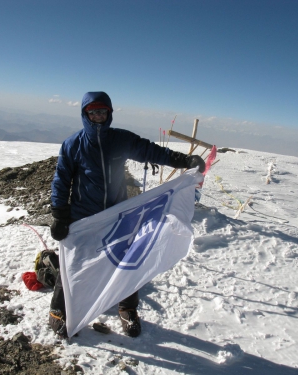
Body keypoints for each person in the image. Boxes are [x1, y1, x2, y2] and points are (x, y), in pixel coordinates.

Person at [49, 91, 205, 338]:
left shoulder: (120, 139)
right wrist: (59, 213)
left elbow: (152, 151)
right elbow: (61, 180)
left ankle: (128, 309)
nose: (98, 116)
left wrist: (184, 160)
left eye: (102, 111)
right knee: (74, 262)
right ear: (85, 114)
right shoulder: (73, 145)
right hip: (84, 218)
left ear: (109, 113)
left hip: (116, 214)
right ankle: (60, 311)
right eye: (93, 112)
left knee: (125, 261)